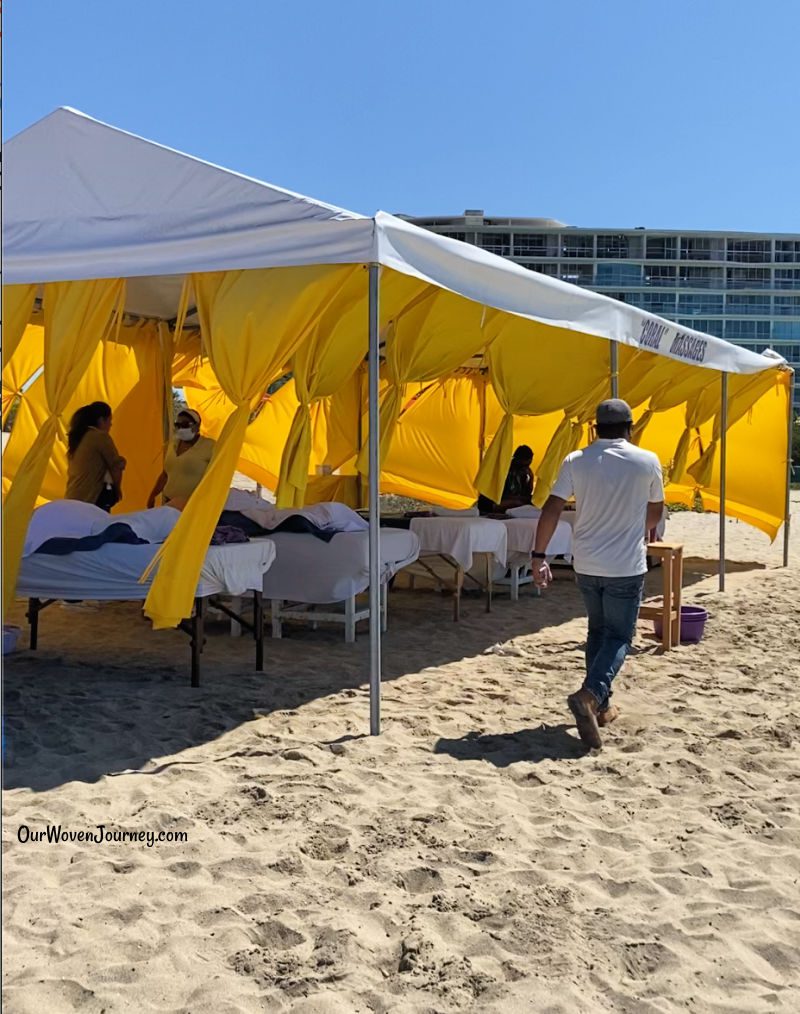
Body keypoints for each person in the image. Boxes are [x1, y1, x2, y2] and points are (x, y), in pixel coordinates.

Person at [531, 399, 664, 749]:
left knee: (598, 631)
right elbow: (654, 515)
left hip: (586, 562)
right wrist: (636, 529)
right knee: (619, 636)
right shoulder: (647, 461)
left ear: (595, 428)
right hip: (625, 564)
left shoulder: (576, 460)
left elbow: (552, 508)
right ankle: (589, 695)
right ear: (630, 428)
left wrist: (539, 555)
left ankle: (601, 708)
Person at [147, 409, 215, 509]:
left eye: (185, 424)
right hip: (168, 503)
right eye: (177, 425)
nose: (181, 428)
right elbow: (165, 474)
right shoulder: (172, 444)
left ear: (197, 426)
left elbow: (216, 477)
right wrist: (152, 496)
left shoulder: (210, 446)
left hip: (192, 506)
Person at [65, 401, 126, 511]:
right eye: (109, 420)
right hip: (91, 498)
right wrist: (117, 490)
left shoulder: (79, 438)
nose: (110, 425)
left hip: (72, 497)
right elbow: (115, 466)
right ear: (101, 420)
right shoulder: (99, 436)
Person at [477, 444, 535, 515]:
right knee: (518, 503)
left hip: (509, 499)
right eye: (525, 465)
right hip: (491, 502)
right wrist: (519, 499)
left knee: (532, 501)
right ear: (517, 459)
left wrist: (531, 478)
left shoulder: (523, 473)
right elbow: (501, 494)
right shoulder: (506, 470)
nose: (526, 467)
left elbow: (527, 493)